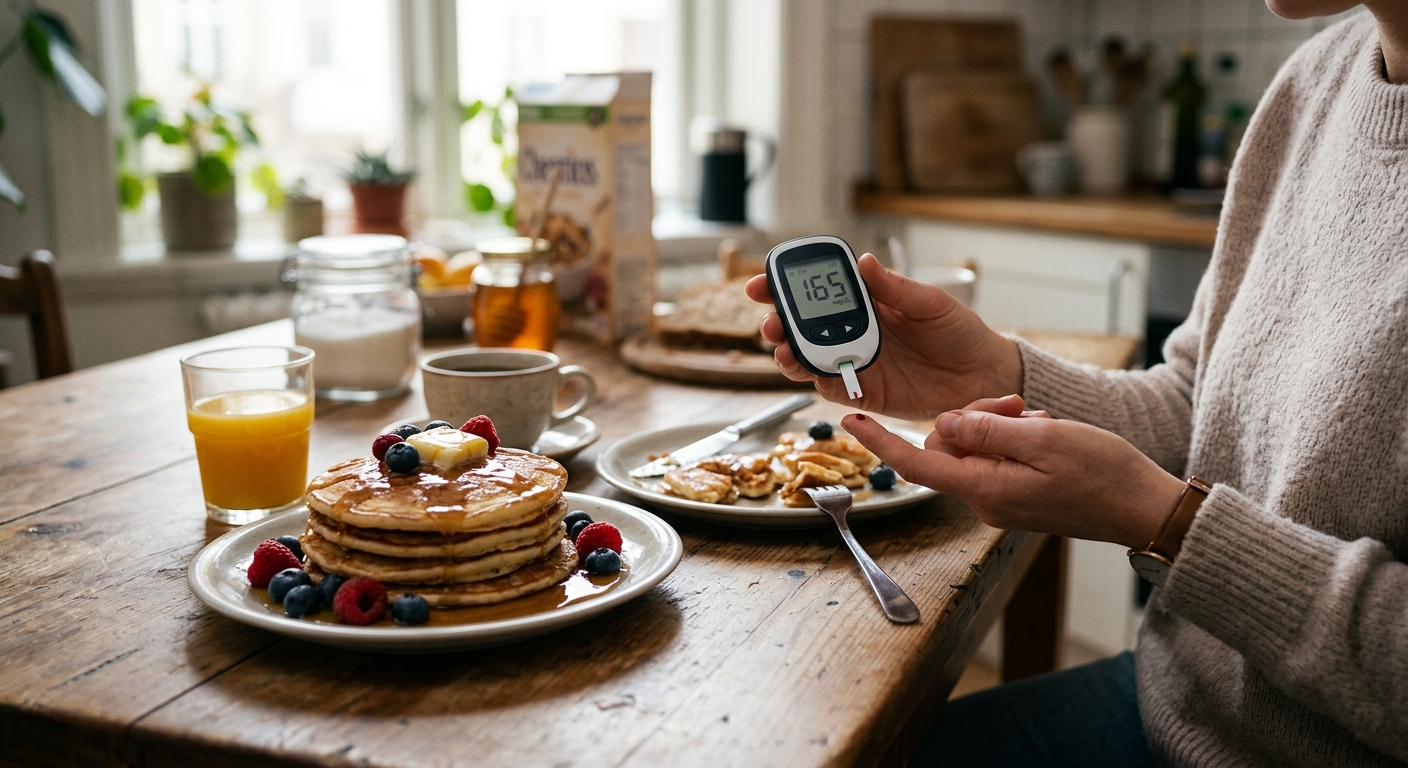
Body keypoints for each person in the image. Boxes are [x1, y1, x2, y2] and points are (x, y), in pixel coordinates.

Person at [746, 1, 1408, 764]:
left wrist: (1162, 522)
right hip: (1181, 704)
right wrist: (995, 373)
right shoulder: (1311, 82)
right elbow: (1202, 406)